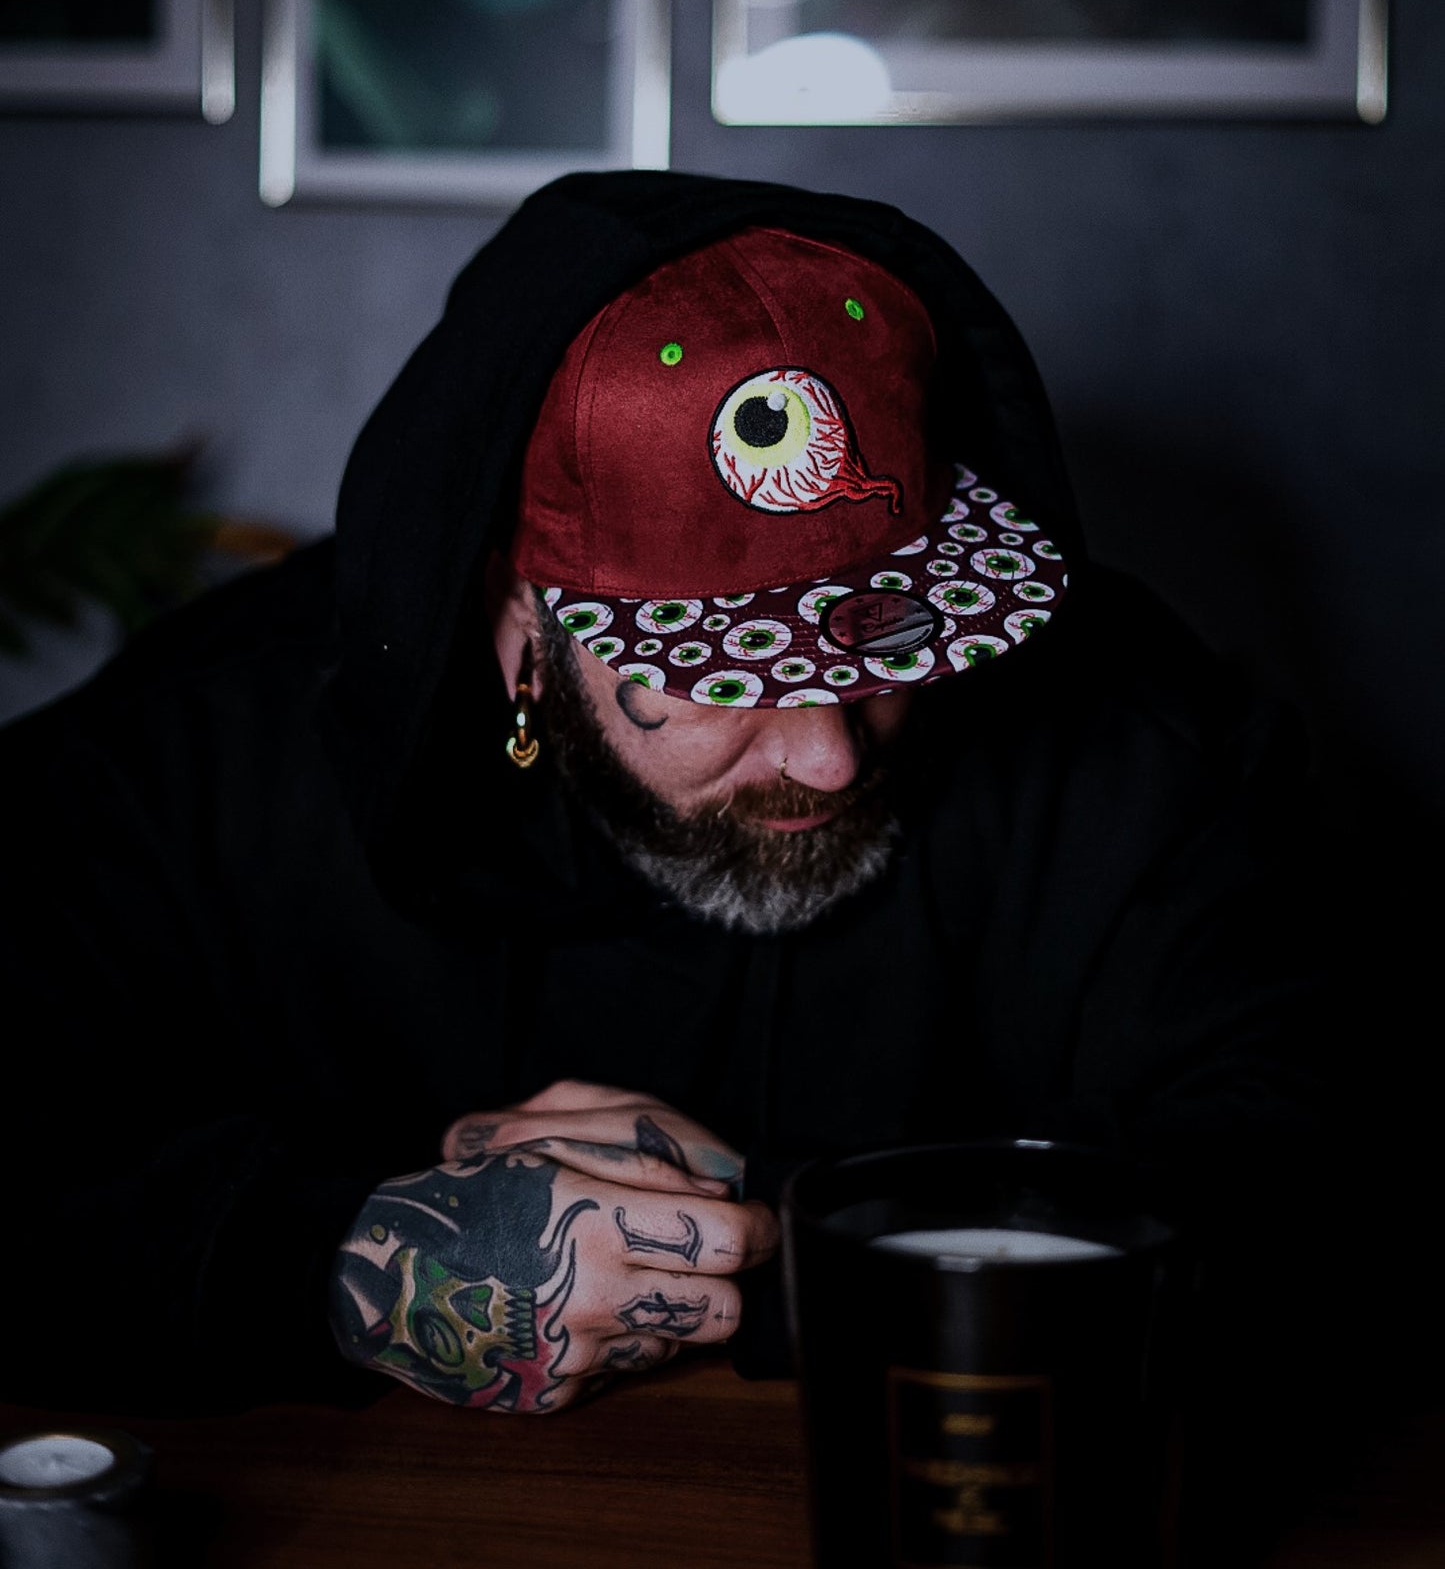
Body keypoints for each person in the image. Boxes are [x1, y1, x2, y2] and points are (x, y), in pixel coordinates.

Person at [1, 170, 1366, 1439]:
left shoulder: (1130, 734)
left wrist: (759, 1231)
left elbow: (1341, 1170)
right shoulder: (199, 754)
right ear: (516, 619)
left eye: (891, 641)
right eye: (732, 672)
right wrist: (346, 1258)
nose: (829, 755)